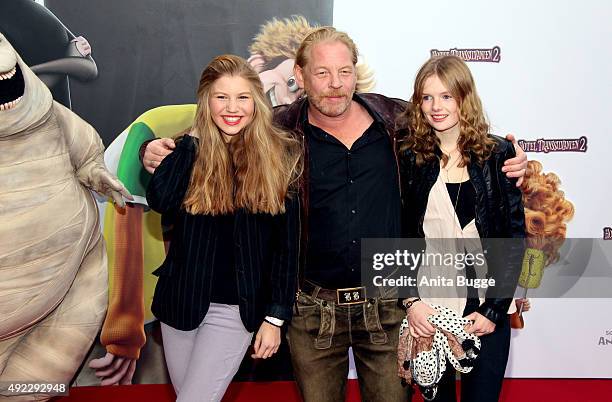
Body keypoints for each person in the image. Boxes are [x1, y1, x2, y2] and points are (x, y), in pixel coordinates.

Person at [141, 28, 527, 402]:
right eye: (322, 73)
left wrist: (510, 158)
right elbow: (221, 129)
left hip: (388, 306)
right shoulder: (279, 130)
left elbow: (458, 136)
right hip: (313, 312)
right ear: (300, 75)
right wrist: (156, 151)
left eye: (344, 72)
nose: (336, 83)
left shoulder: (397, 123)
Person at [145, 54, 301, 402]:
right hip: (180, 306)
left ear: (256, 102)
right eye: (221, 97)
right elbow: (162, 201)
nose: (232, 108)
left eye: (242, 97)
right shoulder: (187, 150)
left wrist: (276, 317)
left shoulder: (281, 155)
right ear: (206, 101)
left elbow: (286, 249)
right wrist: (193, 140)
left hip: (235, 310)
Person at [398, 55, 526, 402]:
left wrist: (495, 311)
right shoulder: (407, 155)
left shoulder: (499, 154)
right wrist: (410, 302)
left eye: (446, 96)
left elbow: (514, 239)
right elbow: (399, 235)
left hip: (486, 307)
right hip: (430, 308)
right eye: (427, 97)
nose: (435, 107)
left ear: (464, 98)